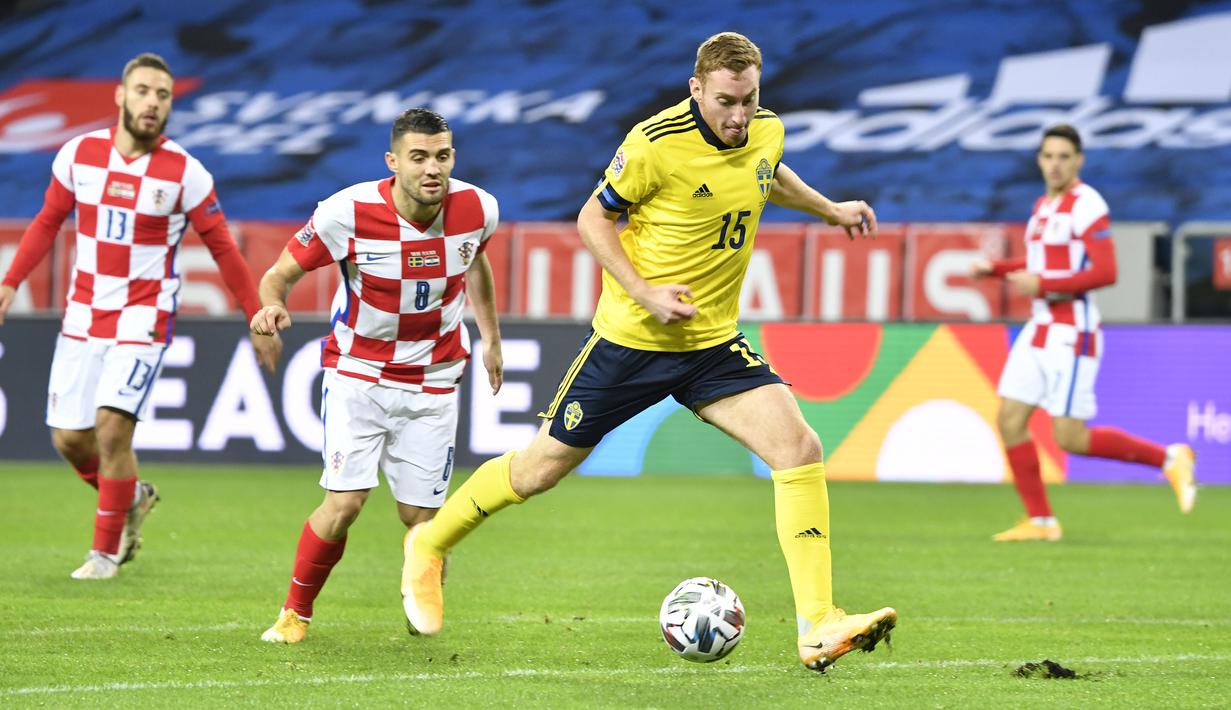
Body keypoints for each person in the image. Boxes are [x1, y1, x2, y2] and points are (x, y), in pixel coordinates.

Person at [401, 32, 895, 673]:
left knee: (798, 449)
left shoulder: (766, 132)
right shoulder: (653, 145)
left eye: (748, 100)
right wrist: (645, 291)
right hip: (631, 341)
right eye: (724, 102)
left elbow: (767, 176)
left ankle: (819, 624)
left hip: (712, 343)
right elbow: (592, 218)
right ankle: (428, 545)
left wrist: (827, 209)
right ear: (697, 89)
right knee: (539, 471)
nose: (738, 116)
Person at [0, 53, 278, 579]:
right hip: (83, 313)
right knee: (69, 439)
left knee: (110, 432)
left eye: (163, 95)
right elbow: (46, 222)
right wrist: (10, 283)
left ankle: (104, 553)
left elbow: (223, 248)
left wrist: (255, 317)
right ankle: (130, 499)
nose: (153, 102)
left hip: (143, 316)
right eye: (144, 91)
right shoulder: (79, 155)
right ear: (121, 96)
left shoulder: (185, 173)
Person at [251, 108, 503, 644]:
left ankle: (418, 615)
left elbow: (475, 262)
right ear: (393, 162)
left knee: (424, 522)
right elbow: (279, 274)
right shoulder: (346, 212)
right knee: (345, 503)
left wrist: (491, 341)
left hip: (435, 379)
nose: (432, 168)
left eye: (442, 156)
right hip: (358, 374)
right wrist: (270, 308)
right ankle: (295, 613)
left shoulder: (479, 208)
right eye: (418, 157)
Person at [970, 123, 1197, 542]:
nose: (1055, 164)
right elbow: (1040, 262)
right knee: (1009, 420)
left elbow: (1107, 271)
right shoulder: (1043, 206)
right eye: (1048, 156)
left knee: (1069, 437)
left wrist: (1046, 286)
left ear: (1079, 160)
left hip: (1072, 332)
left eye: (1063, 157)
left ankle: (1170, 458)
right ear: (1039, 160)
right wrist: (998, 269)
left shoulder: (1087, 204)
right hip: (1039, 328)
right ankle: (1041, 521)